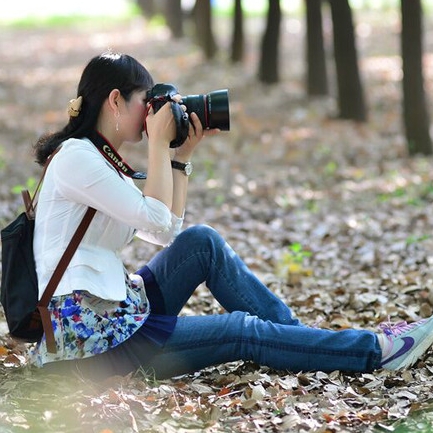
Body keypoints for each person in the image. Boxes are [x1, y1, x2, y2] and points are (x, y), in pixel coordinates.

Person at [29, 51, 433, 381]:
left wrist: (180, 157)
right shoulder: (78, 160)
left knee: (200, 242)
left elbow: (165, 231)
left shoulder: (97, 158)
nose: (151, 114)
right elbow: (153, 219)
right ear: (115, 100)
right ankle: (373, 350)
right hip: (93, 343)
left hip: (115, 311)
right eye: (145, 102)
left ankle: (307, 342)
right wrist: (160, 146)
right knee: (242, 330)